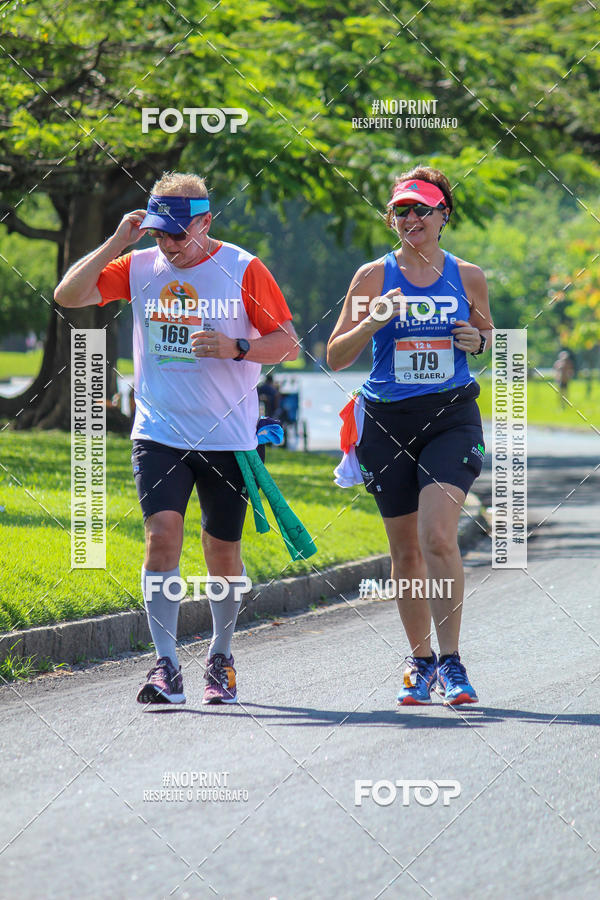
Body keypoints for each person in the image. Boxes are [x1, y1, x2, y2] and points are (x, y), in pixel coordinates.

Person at [55, 171, 298, 705]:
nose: (169, 244)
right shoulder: (139, 265)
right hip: (159, 432)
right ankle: (165, 665)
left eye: (179, 234)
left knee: (222, 554)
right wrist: (119, 241)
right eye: (160, 232)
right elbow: (68, 294)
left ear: (207, 222)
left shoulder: (242, 268)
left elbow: (287, 344)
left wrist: (236, 347)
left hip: (227, 438)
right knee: (162, 537)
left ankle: (221, 655)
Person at [327, 166, 493, 706]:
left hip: (450, 416)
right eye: (402, 209)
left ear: (445, 215)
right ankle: (420, 662)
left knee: (438, 536)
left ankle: (453, 663)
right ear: (391, 218)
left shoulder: (468, 277)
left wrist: (476, 339)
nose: (412, 218)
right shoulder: (373, 276)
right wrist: (372, 321)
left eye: (423, 208)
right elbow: (335, 355)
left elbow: (485, 334)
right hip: (386, 422)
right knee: (405, 552)